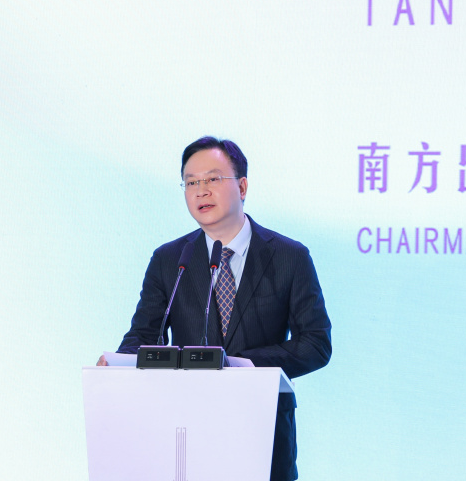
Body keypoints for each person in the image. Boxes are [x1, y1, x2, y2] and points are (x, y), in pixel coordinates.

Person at [104, 136, 332, 481]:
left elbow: (316, 344)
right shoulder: (170, 259)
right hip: (185, 426)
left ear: (242, 186)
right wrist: (120, 364)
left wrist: (239, 365)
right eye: (191, 182)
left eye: (212, 179)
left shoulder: (289, 256)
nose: (201, 191)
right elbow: (145, 334)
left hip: (263, 428)